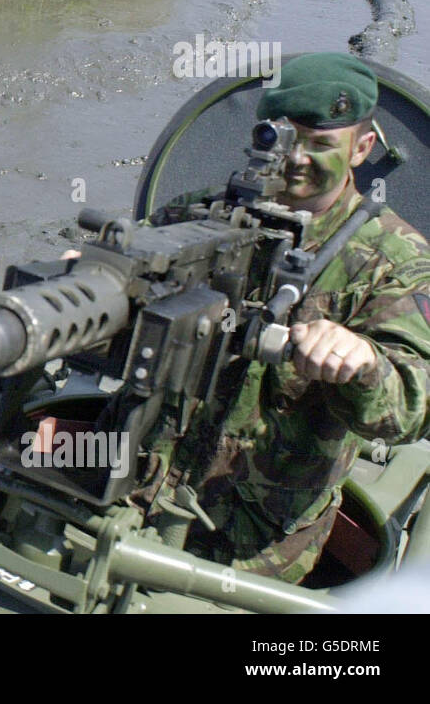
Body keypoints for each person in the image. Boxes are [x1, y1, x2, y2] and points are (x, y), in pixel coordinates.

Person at [69, 52, 430, 582]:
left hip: (253, 551)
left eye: (321, 144)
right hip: (123, 495)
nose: (297, 159)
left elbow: (412, 410)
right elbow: (117, 321)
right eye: (283, 138)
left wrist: (365, 364)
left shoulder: (395, 260)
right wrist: (89, 285)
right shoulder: (197, 217)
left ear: (362, 148)